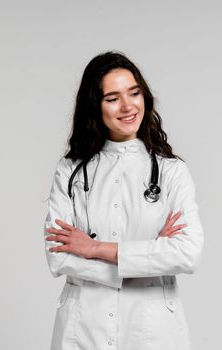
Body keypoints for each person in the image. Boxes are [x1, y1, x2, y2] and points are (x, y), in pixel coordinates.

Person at [43, 51, 204, 350]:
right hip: (83, 326)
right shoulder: (71, 170)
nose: (128, 106)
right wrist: (149, 256)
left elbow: (187, 253)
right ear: (95, 106)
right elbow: (59, 256)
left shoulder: (171, 172)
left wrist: (94, 249)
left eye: (134, 93)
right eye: (113, 98)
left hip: (153, 327)